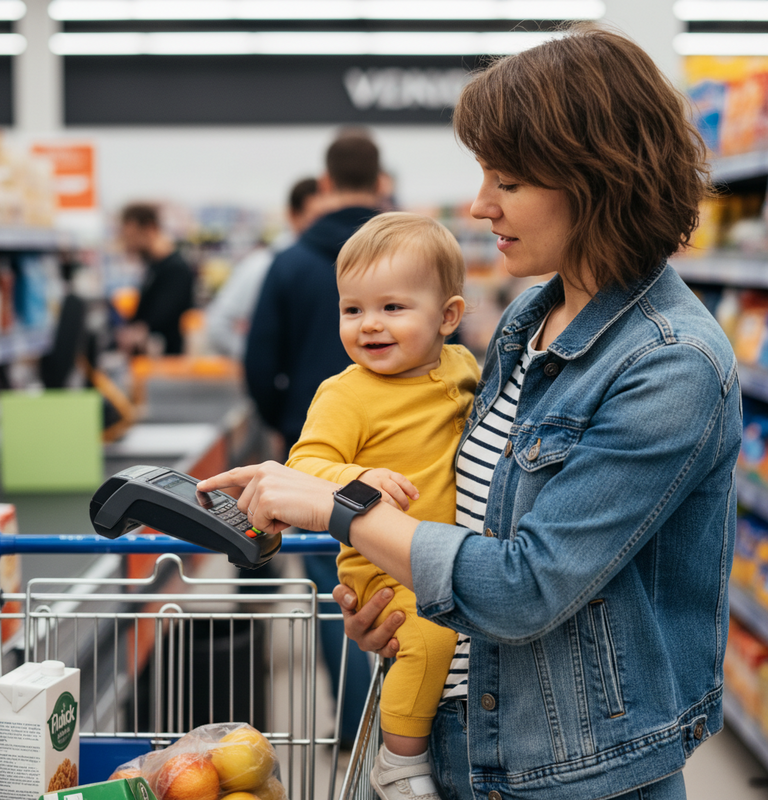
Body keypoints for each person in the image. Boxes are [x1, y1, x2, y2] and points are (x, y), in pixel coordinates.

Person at [198, 24, 742, 800]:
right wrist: (390, 600)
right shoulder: (530, 318)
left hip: (577, 775)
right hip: (467, 740)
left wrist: (337, 505)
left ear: (597, 178)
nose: (482, 204)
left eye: (509, 182)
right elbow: (471, 524)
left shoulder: (669, 364)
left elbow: (526, 586)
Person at [286, 212, 480, 800]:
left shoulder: (464, 368)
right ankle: (399, 759)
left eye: (393, 308)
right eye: (353, 309)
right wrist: (357, 476)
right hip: (382, 567)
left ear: (448, 317)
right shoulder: (346, 393)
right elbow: (302, 468)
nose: (369, 325)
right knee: (428, 639)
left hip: (445, 554)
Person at [245, 132, 385, 744]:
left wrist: (292, 425)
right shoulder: (406, 257)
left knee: (338, 591)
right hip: (404, 460)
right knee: (413, 584)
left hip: (314, 462)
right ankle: (408, 729)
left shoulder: (292, 261)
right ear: (381, 182)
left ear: (325, 185)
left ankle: (361, 731)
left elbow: (257, 362)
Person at [206, 177, 321, 362]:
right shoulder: (262, 265)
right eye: (316, 217)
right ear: (293, 215)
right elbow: (218, 325)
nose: (323, 225)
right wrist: (262, 357)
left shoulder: (335, 263)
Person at [117, 203, 194, 356]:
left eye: (132, 236)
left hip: (168, 363)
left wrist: (136, 332)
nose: (129, 243)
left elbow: (163, 317)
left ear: (150, 228)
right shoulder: (153, 266)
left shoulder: (176, 268)